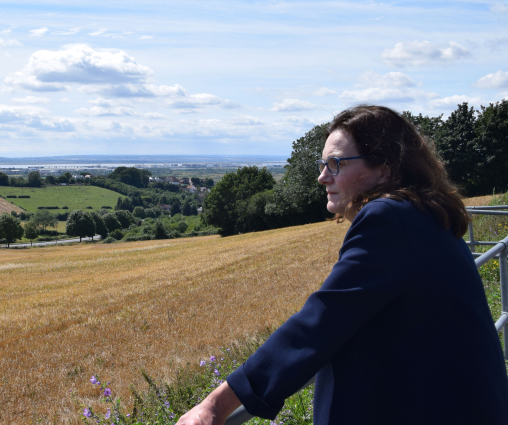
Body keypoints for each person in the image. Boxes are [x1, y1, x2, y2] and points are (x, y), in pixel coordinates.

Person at [176, 105, 508, 425]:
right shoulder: (422, 216)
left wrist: (216, 405)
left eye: (336, 164)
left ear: (385, 168)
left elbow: (319, 320)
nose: (322, 177)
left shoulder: (389, 218)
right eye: (323, 164)